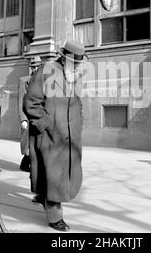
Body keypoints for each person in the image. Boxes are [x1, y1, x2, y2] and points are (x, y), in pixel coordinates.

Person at [23, 41, 87, 232]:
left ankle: (45, 197)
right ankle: (55, 217)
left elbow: (77, 103)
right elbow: (31, 102)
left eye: (78, 63)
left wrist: (79, 122)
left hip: (70, 137)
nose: (76, 66)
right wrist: (47, 124)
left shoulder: (73, 77)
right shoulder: (45, 71)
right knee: (54, 177)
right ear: (64, 58)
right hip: (50, 137)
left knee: (65, 176)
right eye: (73, 62)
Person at [18, 56, 42, 172]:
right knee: (28, 140)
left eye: (38, 66)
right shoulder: (24, 81)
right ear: (31, 67)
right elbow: (20, 101)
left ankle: (31, 162)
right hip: (28, 115)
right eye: (33, 66)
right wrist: (23, 119)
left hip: (40, 116)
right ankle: (27, 162)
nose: (35, 68)